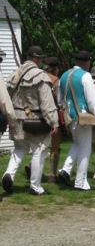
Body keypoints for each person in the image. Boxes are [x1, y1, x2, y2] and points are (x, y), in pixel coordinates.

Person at [2, 46, 59, 195]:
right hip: (34, 120)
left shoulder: (13, 75)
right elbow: (47, 103)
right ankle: (35, 186)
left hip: (16, 118)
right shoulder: (41, 76)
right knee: (39, 150)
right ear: (38, 59)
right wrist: (54, 122)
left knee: (20, 149)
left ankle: (8, 174)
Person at [58, 51, 95, 191]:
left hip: (69, 116)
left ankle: (65, 170)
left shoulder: (64, 76)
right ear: (87, 62)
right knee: (85, 148)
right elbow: (92, 100)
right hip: (82, 116)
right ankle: (80, 182)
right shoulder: (85, 76)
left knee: (77, 144)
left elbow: (60, 100)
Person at [24, 57, 62, 182]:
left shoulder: (36, 76)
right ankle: (52, 174)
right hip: (51, 114)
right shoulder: (54, 80)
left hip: (35, 115)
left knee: (38, 146)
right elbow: (59, 100)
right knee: (54, 146)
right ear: (55, 68)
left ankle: (31, 166)